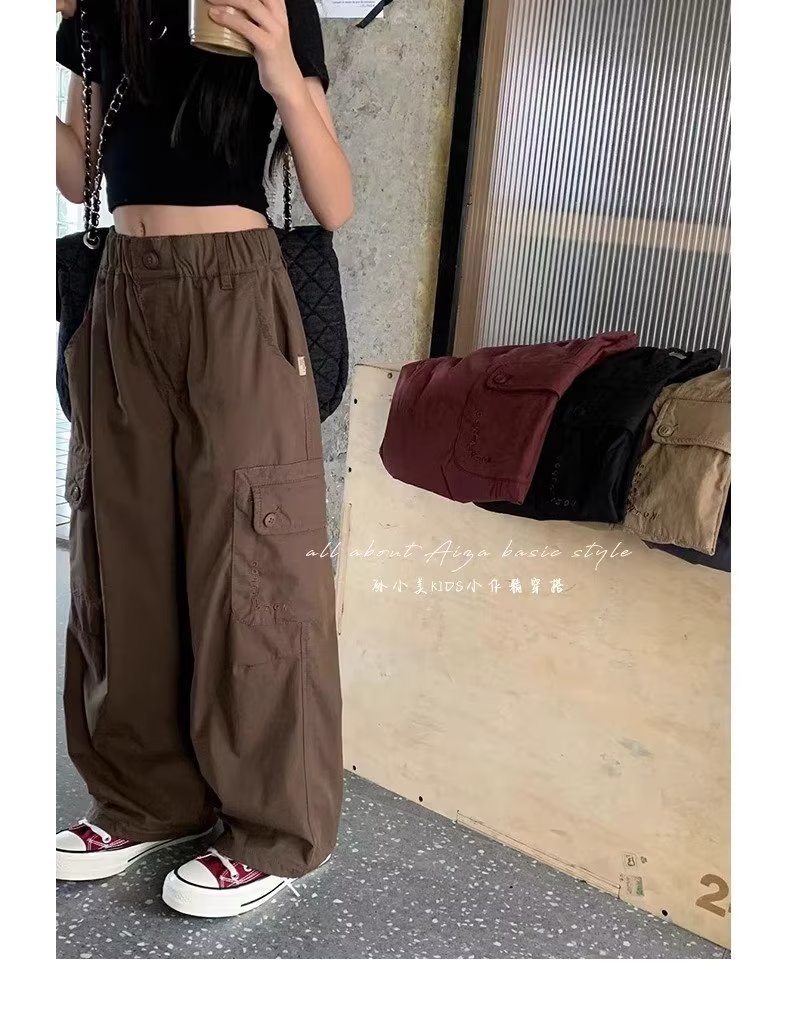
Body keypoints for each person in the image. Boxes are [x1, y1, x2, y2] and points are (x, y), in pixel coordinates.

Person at [55, 0, 352, 919]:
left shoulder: (269, 5)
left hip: (236, 290)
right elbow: (79, 174)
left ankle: (273, 829)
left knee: (254, 563)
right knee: (125, 552)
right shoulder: (101, 11)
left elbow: (334, 200)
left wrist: (279, 68)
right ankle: (146, 798)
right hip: (124, 289)